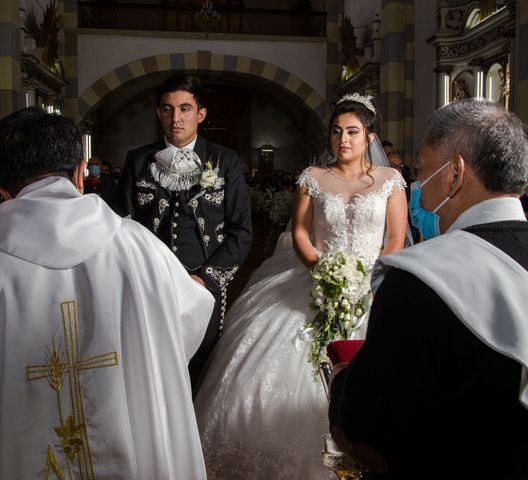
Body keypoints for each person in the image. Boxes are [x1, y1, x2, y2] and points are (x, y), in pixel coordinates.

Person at [328, 99, 528, 479]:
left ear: (455, 173)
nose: (416, 183)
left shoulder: (416, 276)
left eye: (422, 168)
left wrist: (341, 380)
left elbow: (364, 430)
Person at [194, 93, 408, 479]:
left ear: (369, 135)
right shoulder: (312, 178)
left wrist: (366, 279)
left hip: (373, 283)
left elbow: (394, 239)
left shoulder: (391, 181)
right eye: (337, 131)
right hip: (314, 278)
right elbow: (300, 233)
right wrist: (324, 274)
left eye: (353, 132)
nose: (343, 139)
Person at [0, 107, 215, 478]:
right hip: (130, 435)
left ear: (2, 189)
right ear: (81, 173)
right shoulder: (137, 245)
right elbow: (189, 317)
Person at [115, 74, 252, 391]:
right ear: (158, 113)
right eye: (167, 108)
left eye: (185, 108)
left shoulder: (225, 160)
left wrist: (204, 279)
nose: (176, 117)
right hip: (149, 281)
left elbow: (241, 232)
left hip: (203, 282)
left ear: (200, 114)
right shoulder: (137, 160)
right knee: (150, 365)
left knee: (200, 368)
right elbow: (121, 225)